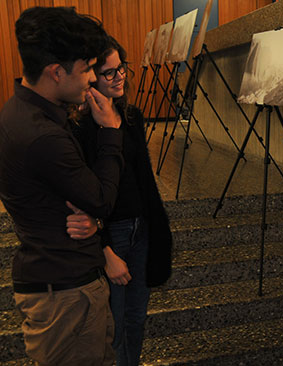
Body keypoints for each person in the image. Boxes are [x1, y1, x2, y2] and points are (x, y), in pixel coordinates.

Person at [0, 7, 123, 366]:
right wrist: (110, 131)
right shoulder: (42, 135)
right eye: (86, 68)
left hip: (60, 283)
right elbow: (101, 199)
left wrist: (93, 223)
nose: (91, 78)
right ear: (57, 72)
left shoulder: (22, 111)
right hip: (66, 296)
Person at [69, 36, 173, 366]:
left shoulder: (132, 117)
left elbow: (145, 181)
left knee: (136, 319)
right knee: (112, 326)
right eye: (109, 72)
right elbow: (84, 198)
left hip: (140, 229)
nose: (120, 77)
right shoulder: (81, 128)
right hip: (110, 235)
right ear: (91, 79)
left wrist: (158, 231)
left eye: (121, 68)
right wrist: (105, 251)